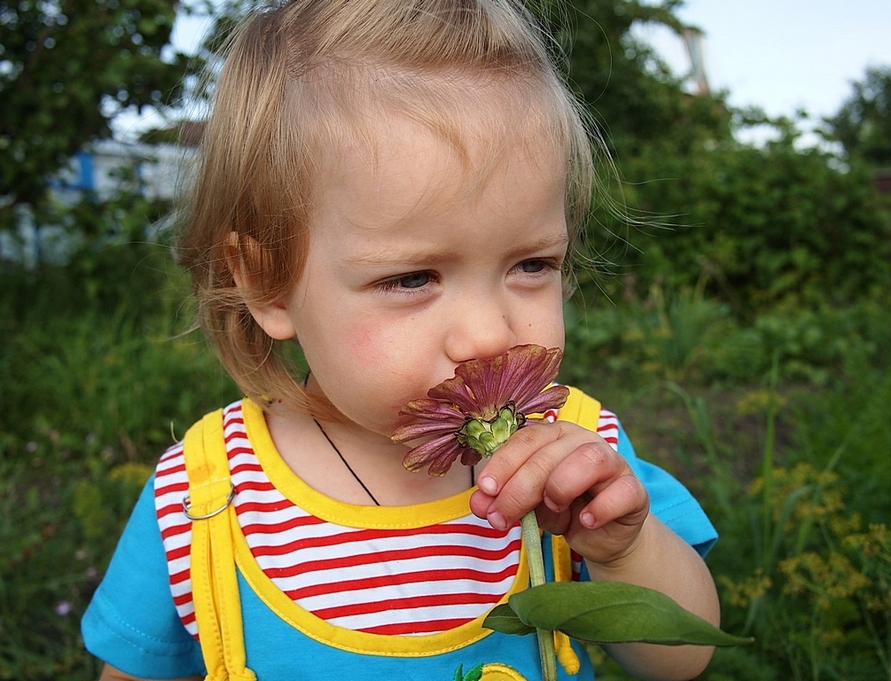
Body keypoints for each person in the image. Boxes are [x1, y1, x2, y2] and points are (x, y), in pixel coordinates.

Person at [82, 1, 720, 680]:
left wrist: (622, 549)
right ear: (268, 283)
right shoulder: (203, 498)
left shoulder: (578, 457)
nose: (488, 335)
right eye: (413, 277)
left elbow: (682, 658)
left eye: (531, 264)